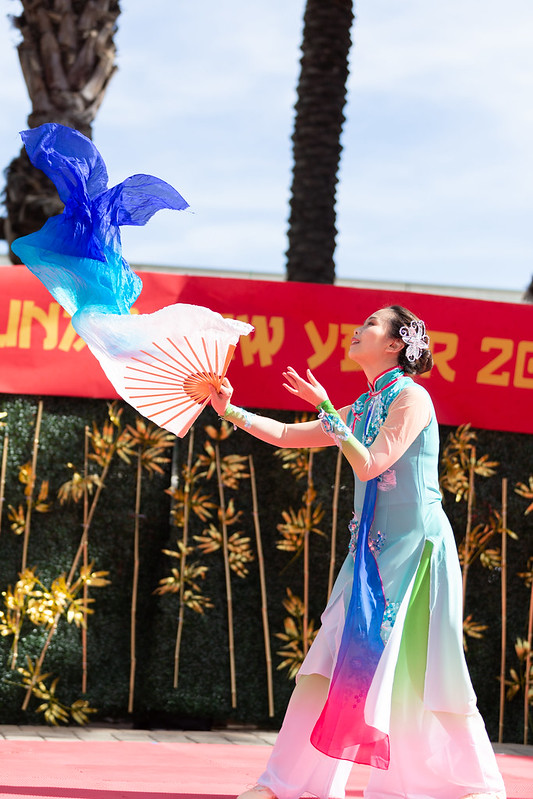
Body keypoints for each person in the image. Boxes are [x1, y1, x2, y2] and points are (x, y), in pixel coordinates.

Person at [209, 305, 506, 799]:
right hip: (369, 554)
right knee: (328, 658)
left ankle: (467, 784)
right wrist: (229, 410)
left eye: (370, 324)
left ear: (394, 344)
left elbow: (371, 465)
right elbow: (287, 436)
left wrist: (327, 410)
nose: (357, 330)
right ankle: (285, 784)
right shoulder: (366, 405)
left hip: (416, 553)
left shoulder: (413, 398)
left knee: (430, 668)